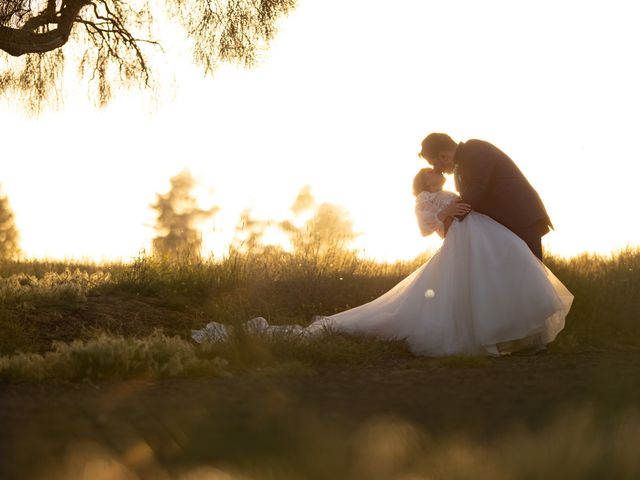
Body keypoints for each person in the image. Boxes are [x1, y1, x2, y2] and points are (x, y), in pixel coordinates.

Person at [419, 133, 551, 261]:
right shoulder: (458, 170)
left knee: (528, 271)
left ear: (443, 156)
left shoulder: (474, 149)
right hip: (503, 227)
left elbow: (477, 187)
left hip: (521, 218)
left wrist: (451, 217)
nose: (436, 169)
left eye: (434, 163)